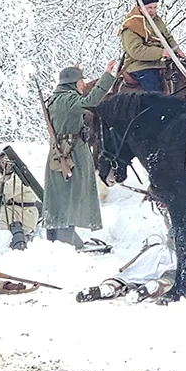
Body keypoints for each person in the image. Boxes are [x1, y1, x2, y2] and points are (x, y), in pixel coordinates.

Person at [42, 60, 116, 248]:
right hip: (71, 156)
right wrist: (107, 76)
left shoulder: (55, 99)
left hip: (59, 154)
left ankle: (56, 241)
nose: (83, 85)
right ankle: (65, 243)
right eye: (81, 81)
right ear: (73, 83)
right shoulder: (68, 100)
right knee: (70, 200)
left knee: (59, 199)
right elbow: (90, 102)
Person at [75, 237, 186, 303]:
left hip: (158, 255)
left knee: (132, 275)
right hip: (175, 259)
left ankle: (112, 287)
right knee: (181, 274)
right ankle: (157, 286)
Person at [119, 0, 186, 93]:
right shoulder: (131, 25)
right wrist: (161, 52)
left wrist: (177, 50)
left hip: (161, 62)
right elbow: (136, 51)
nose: (153, 11)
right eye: (149, 8)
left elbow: (167, 37)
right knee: (156, 94)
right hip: (141, 66)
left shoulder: (157, 20)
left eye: (155, 7)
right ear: (140, 8)